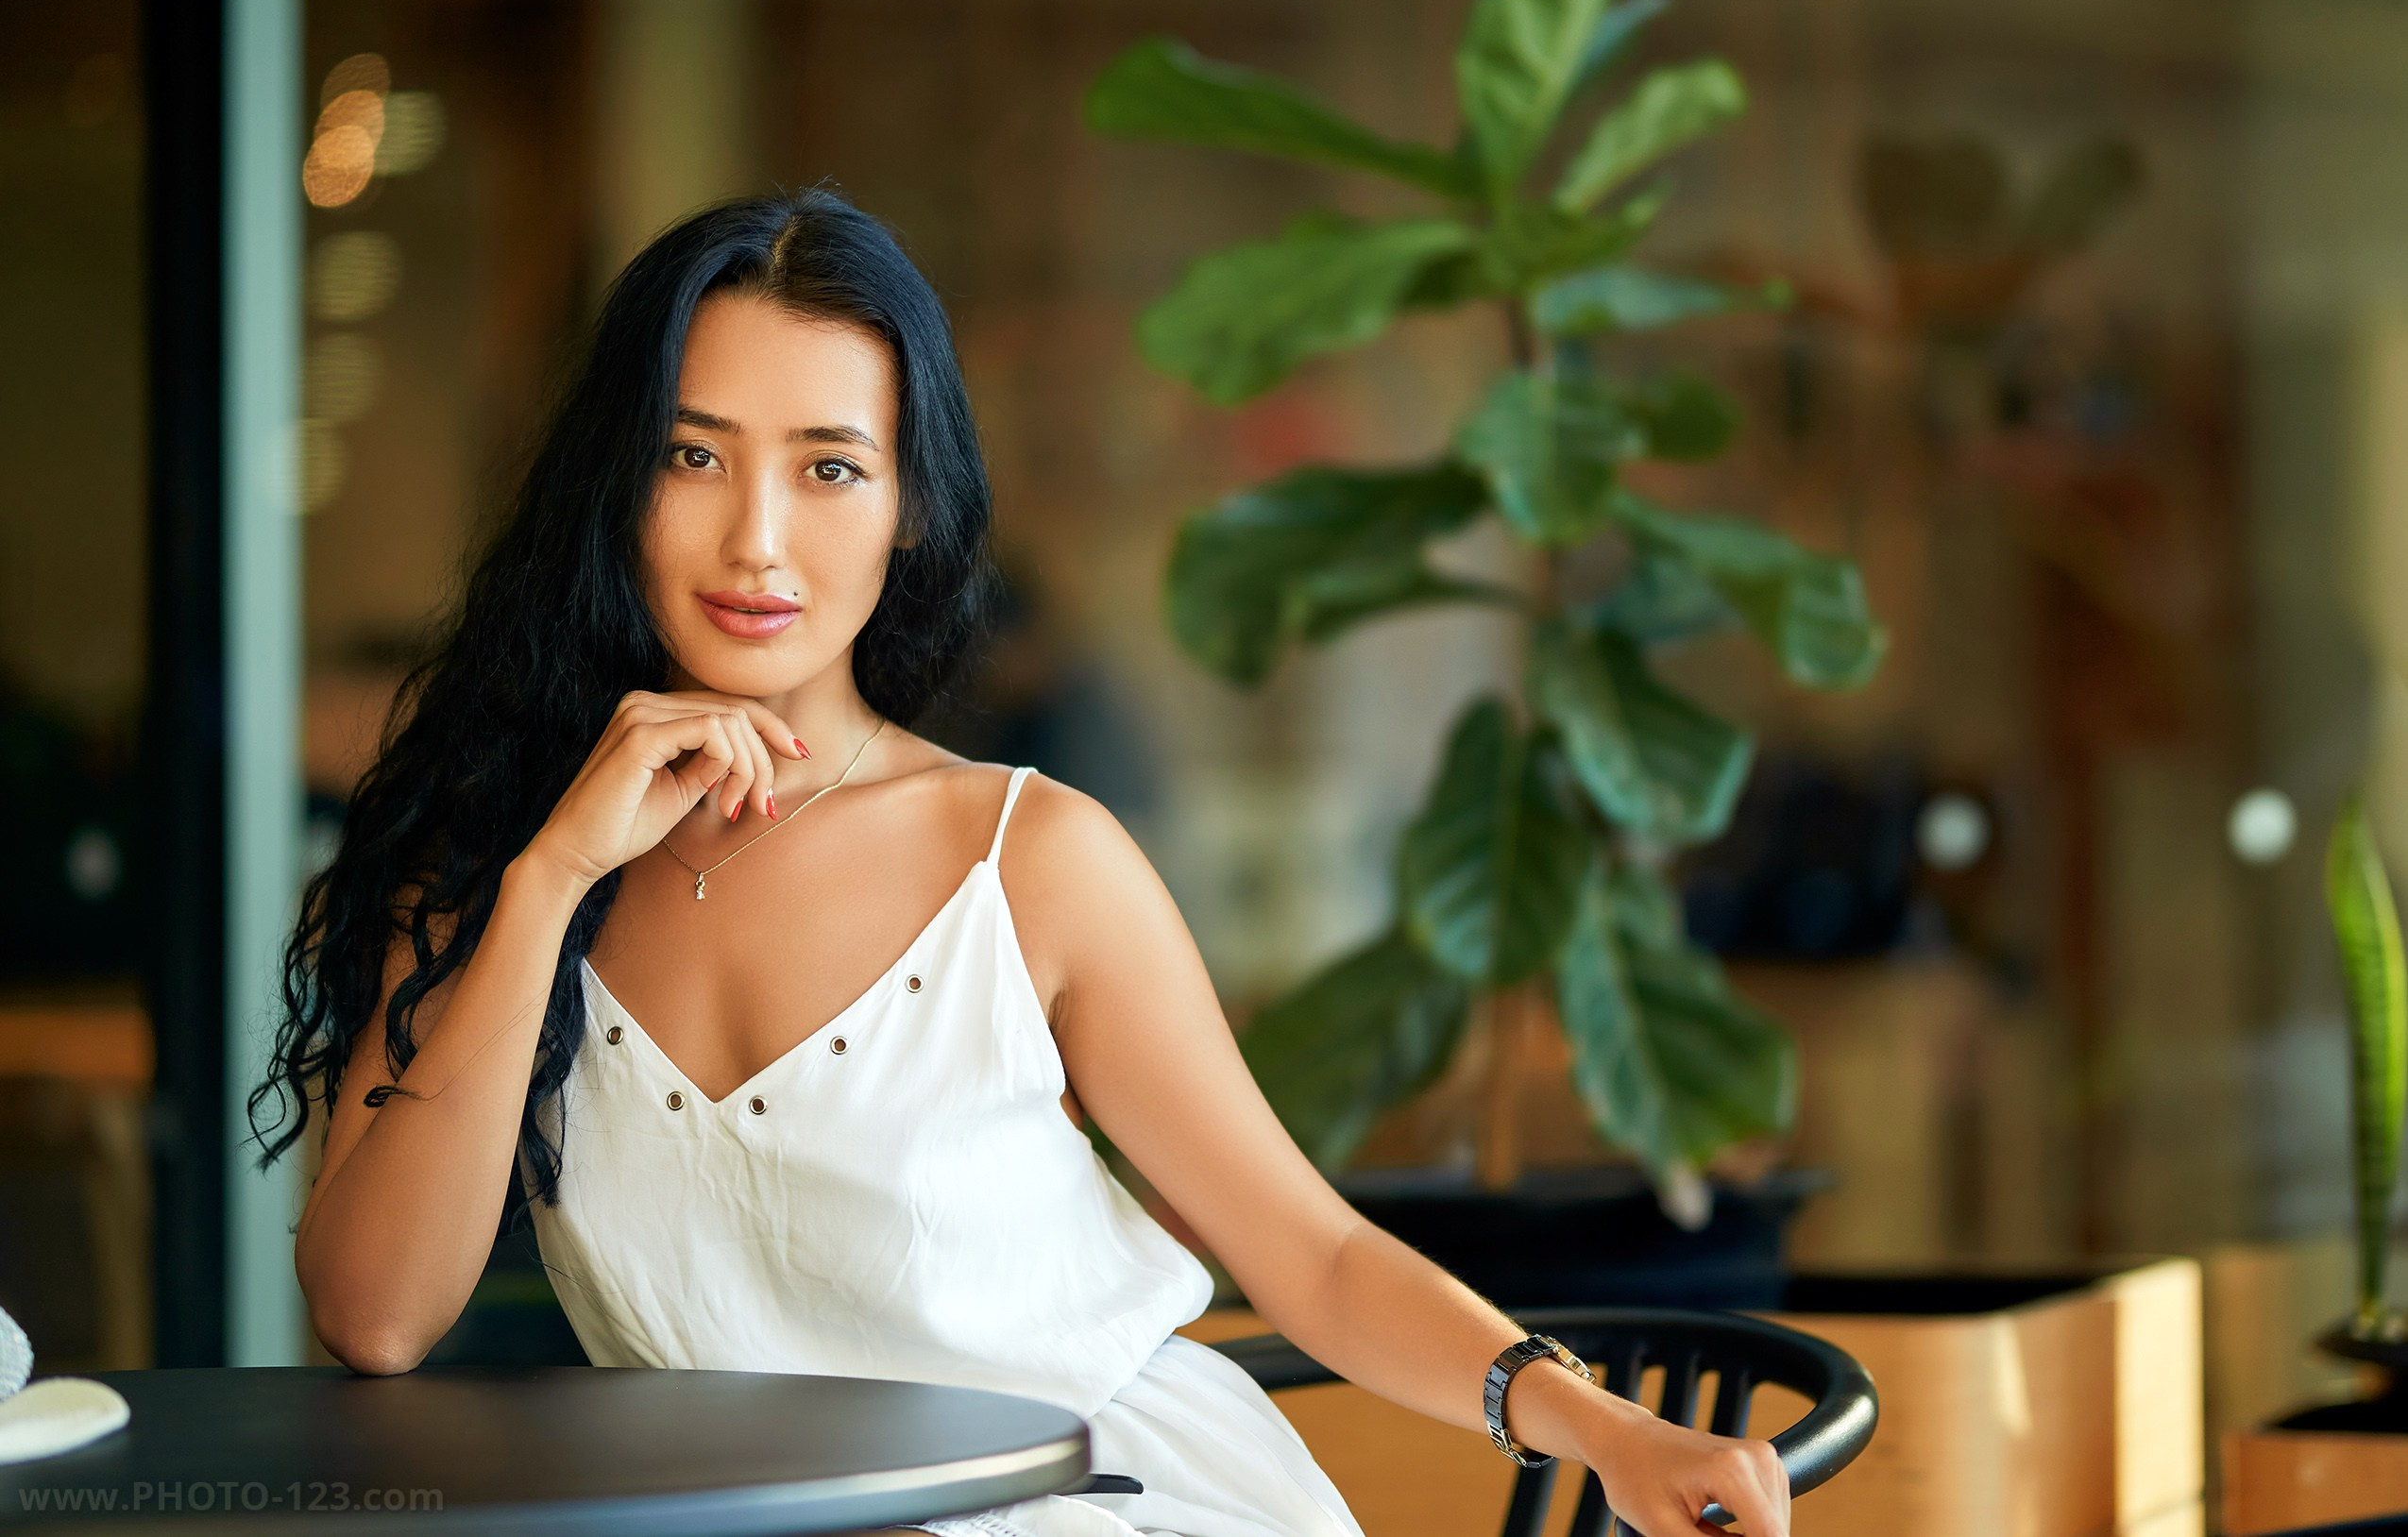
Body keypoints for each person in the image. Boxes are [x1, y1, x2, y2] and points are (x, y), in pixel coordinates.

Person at [257, 190, 1789, 1537]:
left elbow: (1308, 1254)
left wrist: (1599, 1427)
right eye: (692, 454)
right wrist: (547, 879)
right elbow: (377, 1317)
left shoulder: (1026, 858)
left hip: (1091, 1512)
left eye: (830, 468)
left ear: (911, 505)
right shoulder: (497, 875)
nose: (758, 544)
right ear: (617, 485)